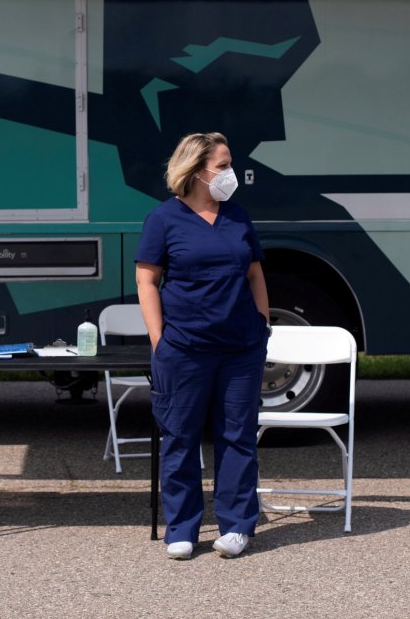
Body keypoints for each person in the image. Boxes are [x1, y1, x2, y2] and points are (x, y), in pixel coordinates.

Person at [135, 132, 271, 559]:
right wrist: (160, 340)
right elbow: (146, 280)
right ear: (195, 171)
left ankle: (236, 526)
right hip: (185, 349)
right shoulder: (163, 219)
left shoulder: (238, 217)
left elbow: (255, 275)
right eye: (223, 165)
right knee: (180, 436)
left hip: (241, 348)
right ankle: (182, 528)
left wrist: (263, 325)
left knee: (238, 437)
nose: (230, 173)